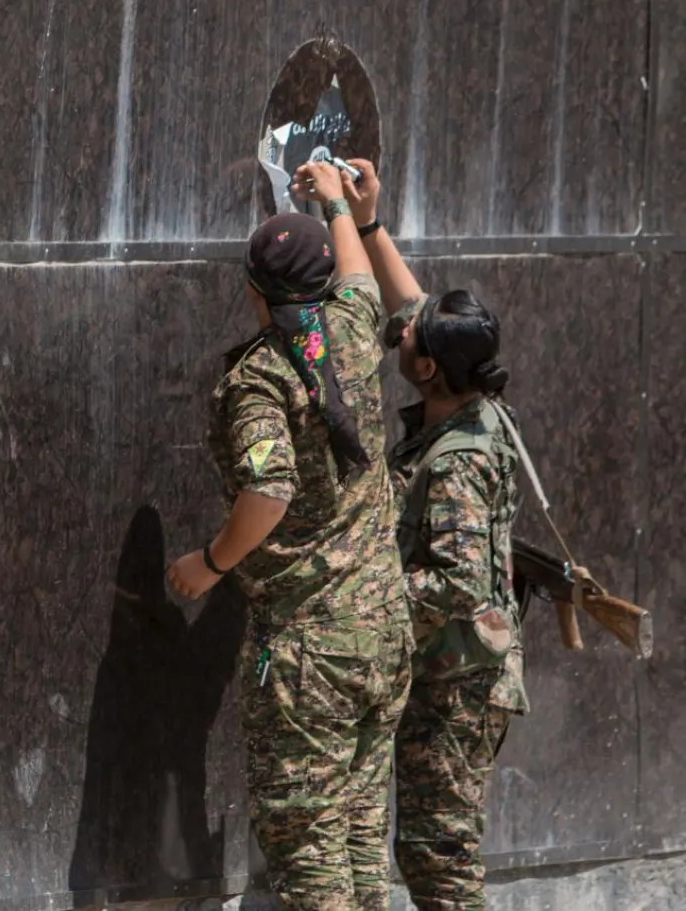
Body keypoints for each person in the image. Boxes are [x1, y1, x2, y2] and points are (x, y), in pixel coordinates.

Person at [167, 160, 412, 911]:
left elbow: (269, 490)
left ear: (254, 294)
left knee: (309, 850)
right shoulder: (356, 329)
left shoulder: (263, 378)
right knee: (364, 838)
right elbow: (362, 276)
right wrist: (341, 200)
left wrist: (210, 563)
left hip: (311, 653)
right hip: (383, 633)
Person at [341, 157, 529, 911]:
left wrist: (366, 595)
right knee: (431, 850)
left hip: (456, 688)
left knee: (438, 861)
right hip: (448, 675)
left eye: (408, 340)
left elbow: (456, 581)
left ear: (425, 369)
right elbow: (412, 305)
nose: (400, 331)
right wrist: (369, 221)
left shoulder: (456, 465)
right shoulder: (468, 395)